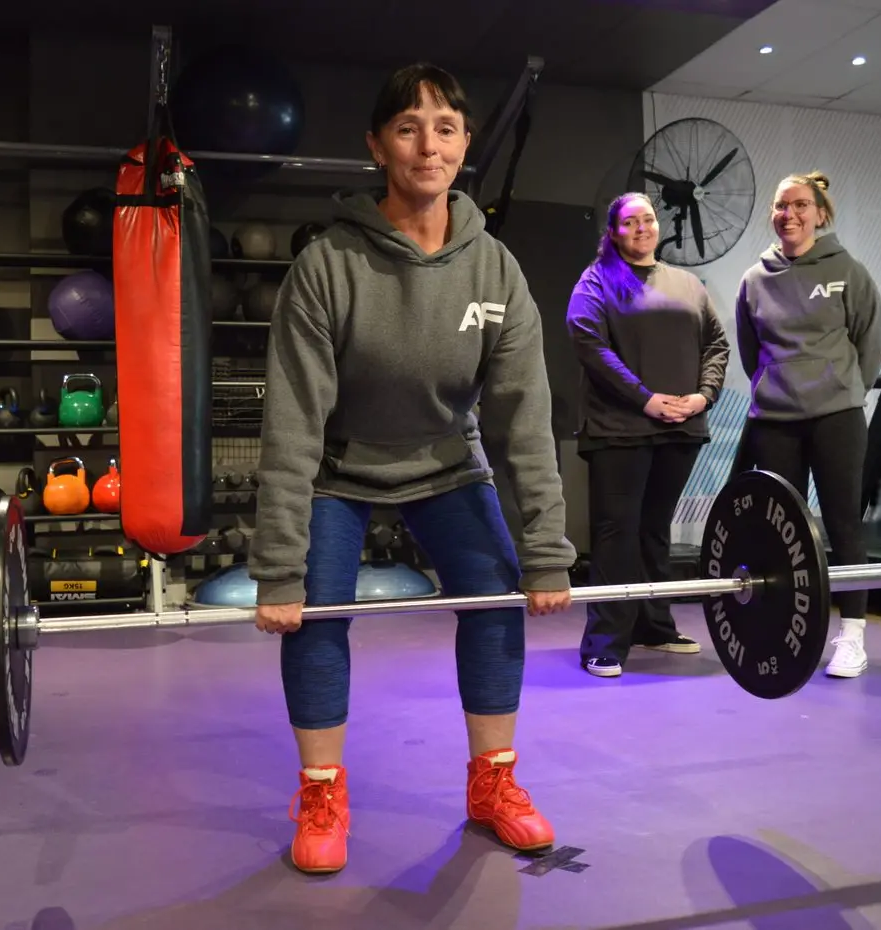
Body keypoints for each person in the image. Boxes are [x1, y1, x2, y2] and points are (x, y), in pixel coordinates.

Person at [246, 62, 576, 876]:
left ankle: (492, 784)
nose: (427, 145)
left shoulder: (494, 269)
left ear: (464, 144)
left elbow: (520, 421)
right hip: (336, 467)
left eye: (444, 127)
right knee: (318, 618)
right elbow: (292, 421)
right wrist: (279, 569)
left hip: (443, 463)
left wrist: (545, 549)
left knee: (495, 600)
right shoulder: (327, 265)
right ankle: (322, 792)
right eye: (407, 127)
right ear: (377, 145)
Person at [566, 192, 730, 678]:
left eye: (649, 220)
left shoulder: (687, 283)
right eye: (631, 222)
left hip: (681, 428)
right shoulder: (596, 281)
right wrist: (644, 398)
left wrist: (703, 396)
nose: (642, 228)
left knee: (654, 532)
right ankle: (604, 642)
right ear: (614, 232)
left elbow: (717, 344)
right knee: (617, 535)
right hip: (620, 430)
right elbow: (589, 344)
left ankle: (654, 626)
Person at [733, 170, 881, 679]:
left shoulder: (848, 271)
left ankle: (853, 637)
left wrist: (841, 393)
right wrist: (779, 388)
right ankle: (788, 626)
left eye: (799, 205)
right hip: (776, 420)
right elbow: (752, 353)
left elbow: (868, 345)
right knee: (784, 533)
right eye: (780, 206)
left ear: (821, 213)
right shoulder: (755, 279)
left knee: (843, 525)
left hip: (836, 418)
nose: (788, 214)